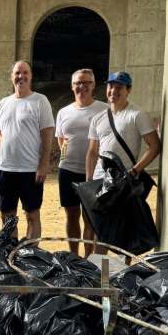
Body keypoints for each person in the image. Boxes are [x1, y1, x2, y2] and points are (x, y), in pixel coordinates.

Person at [86, 71, 162, 255]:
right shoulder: (98, 118)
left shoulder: (137, 115)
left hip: (124, 182)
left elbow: (155, 146)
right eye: (111, 86)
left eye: (119, 87)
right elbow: (92, 152)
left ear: (129, 90)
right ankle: (99, 276)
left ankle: (123, 277)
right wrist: (89, 182)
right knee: (100, 231)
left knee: (124, 232)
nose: (114, 90)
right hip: (100, 181)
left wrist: (134, 172)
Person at [0, 60, 54, 240]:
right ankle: (10, 254)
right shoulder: (4, 103)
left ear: (30, 76)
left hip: (30, 170)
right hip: (6, 169)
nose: (21, 77)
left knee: (32, 215)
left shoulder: (40, 101)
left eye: (25, 73)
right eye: (17, 73)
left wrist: (43, 166)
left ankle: (30, 256)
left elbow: (47, 136)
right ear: (11, 77)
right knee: (7, 217)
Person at [55, 69, 107, 256]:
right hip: (67, 170)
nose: (81, 87)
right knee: (71, 216)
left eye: (86, 83)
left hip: (93, 172)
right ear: (72, 86)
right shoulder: (63, 112)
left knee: (89, 218)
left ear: (93, 85)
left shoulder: (104, 110)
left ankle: (88, 258)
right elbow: (61, 140)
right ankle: (74, 256)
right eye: (78, 83)